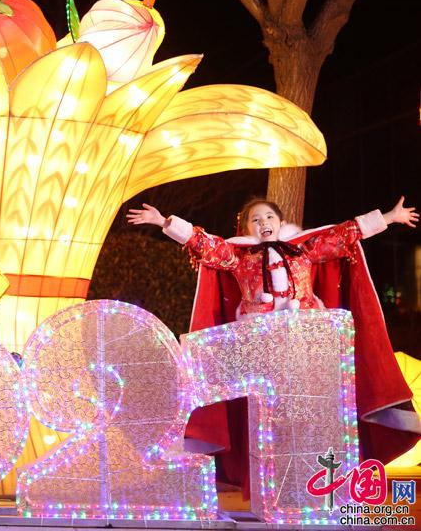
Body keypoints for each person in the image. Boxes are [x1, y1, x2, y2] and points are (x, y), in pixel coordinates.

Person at [127, 196, 420, 496]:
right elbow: (203, 243)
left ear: (280, 222)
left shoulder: (305, 249)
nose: (263, 222)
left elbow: (345, 233)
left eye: (268, 217)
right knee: (269, 422)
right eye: (255, 219)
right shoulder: (238, 257)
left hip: (306, 346)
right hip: (261, 349)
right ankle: (274, 488)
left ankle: (317, 483)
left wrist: (389, 217)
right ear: (247, 228)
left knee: (310, 417)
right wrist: (163, 221)